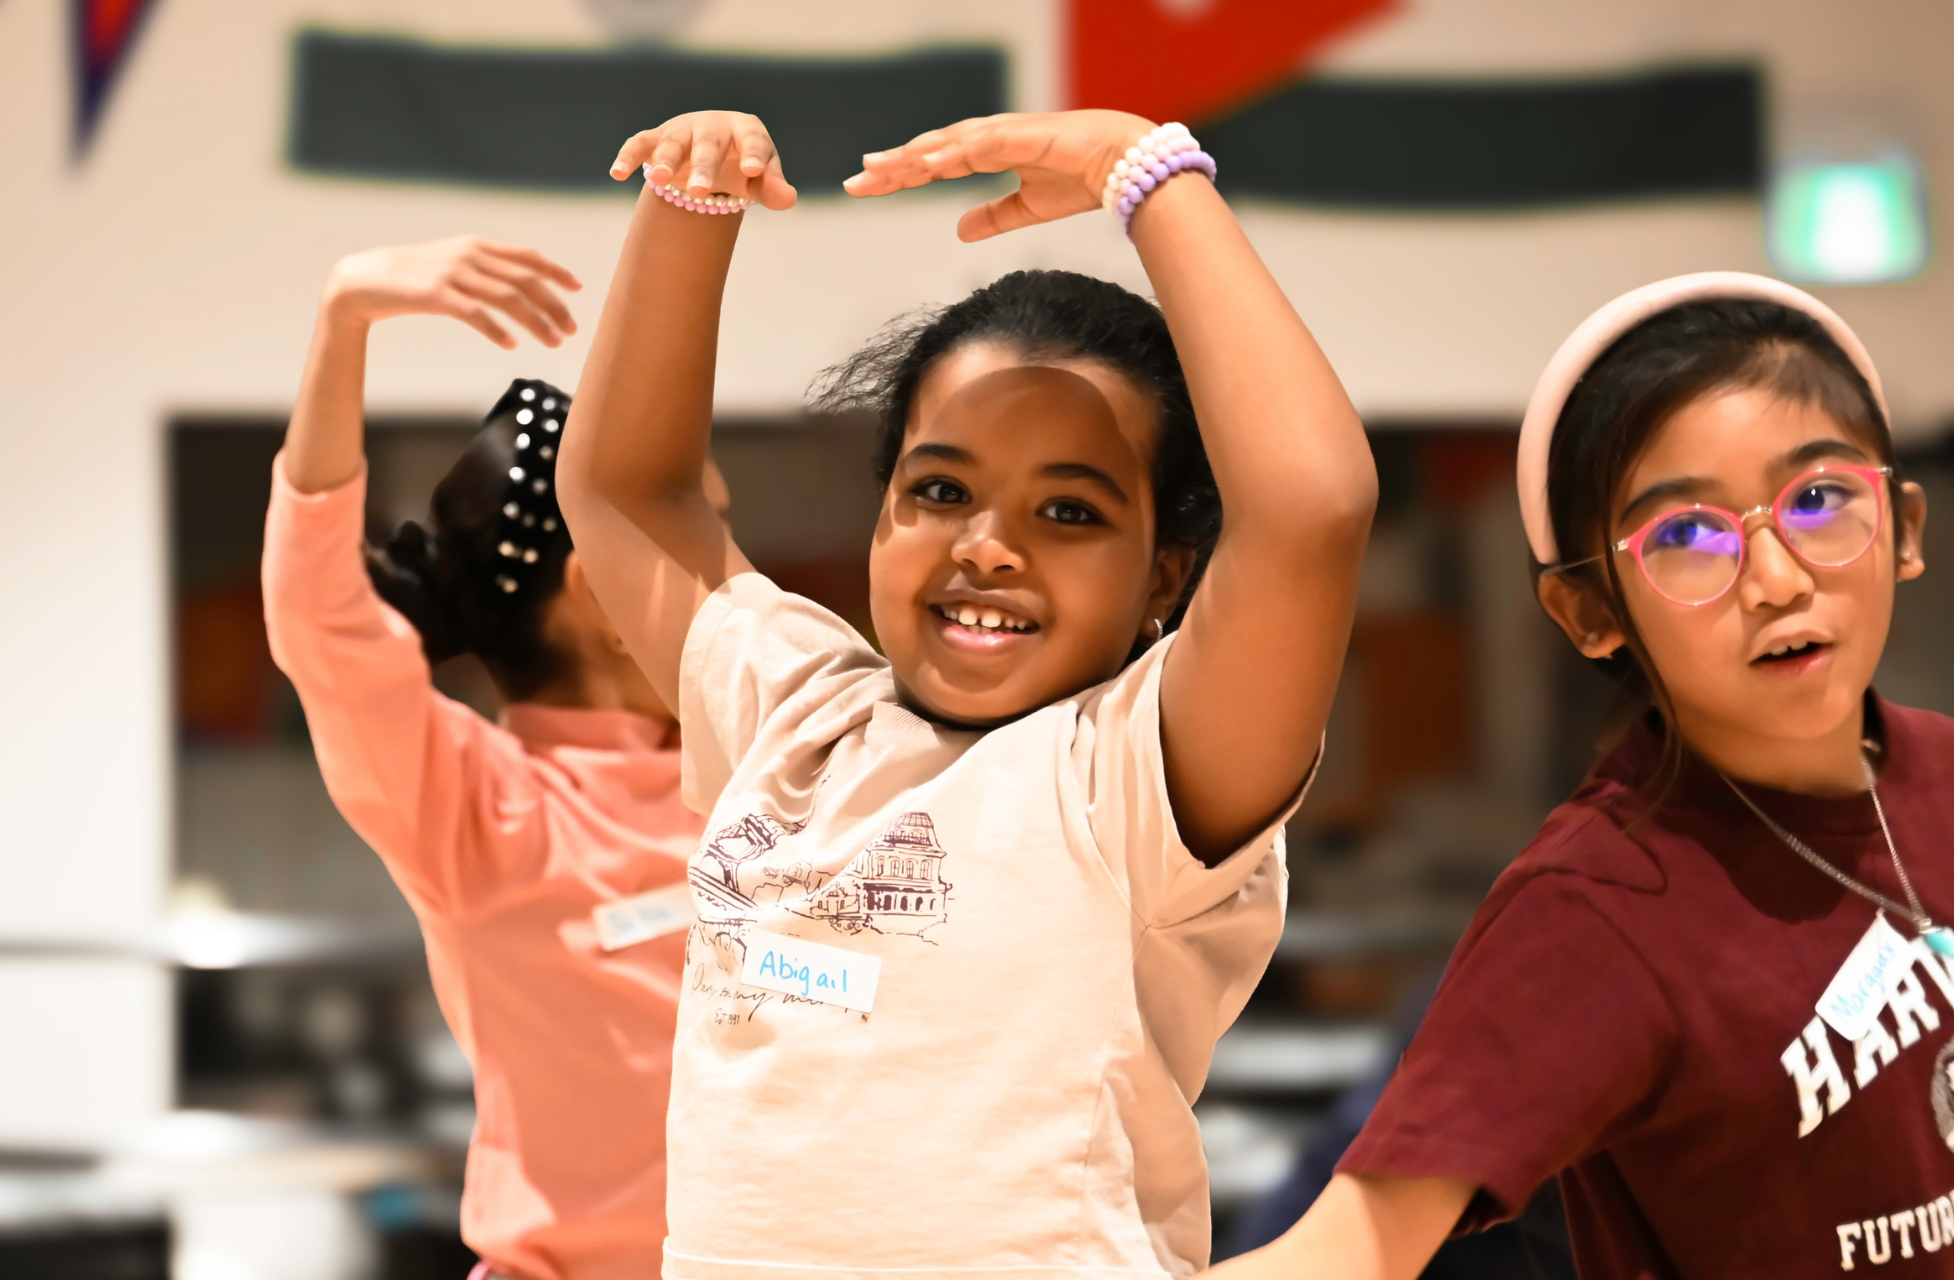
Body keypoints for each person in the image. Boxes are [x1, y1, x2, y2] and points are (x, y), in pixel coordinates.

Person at [556, 109, 1378, 1279]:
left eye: (1070, 512)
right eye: (940, 490)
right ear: (881, 508)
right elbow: (627, 495)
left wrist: (1142, 175)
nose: (988, 547)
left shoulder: (1134, 776)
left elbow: (1311, 509)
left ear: (1167, 579)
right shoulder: (799, 714)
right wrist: (690, 207)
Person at [1207, 272, 1954, 1280]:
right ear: (1591, 615)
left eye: (1818, 499)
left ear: (1906, 528)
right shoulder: (1595, 910)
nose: (1777, 578)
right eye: (1686, 536)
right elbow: (1351, 1248)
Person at [264, 234, 723, 1280]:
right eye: (703, 536)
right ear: (599, 596)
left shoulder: (759, 770)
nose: (733, 576)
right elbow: (322, 626)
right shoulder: (482, 804)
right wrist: (344, 320)